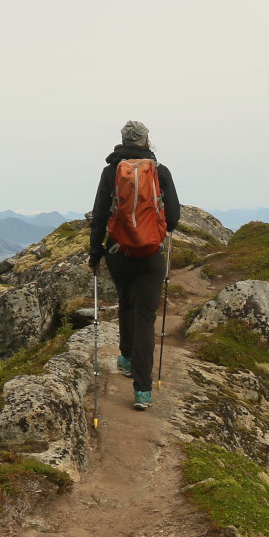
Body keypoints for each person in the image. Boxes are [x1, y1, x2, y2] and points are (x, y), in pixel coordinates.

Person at [89, 121, 181, 411]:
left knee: (126, 302)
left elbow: (101, 213)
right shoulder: (159, 171)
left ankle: (126, 357)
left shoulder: (111, 172)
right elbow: (175, 216)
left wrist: (95, 254)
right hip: (151, 255)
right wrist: (158, 230)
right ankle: (142, 391)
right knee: (145, 318)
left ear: (122, 140)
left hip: (119, 252)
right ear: (146, 141)